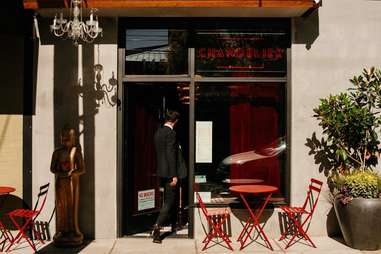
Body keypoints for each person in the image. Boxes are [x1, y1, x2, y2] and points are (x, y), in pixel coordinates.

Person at [152, 110, 184, 244]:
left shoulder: (158, 132)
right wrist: (174, 176)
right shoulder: (171, 133)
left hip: (161, 171)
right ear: (175, 121)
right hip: (170, 173)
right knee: (169, 201)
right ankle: (157, 227)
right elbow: (171, 155)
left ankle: (173, 224)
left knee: (168, 199)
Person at [50, 127, 85, 247]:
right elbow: (52, 169)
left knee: (71, 206)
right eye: (63, 139)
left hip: (72, 183)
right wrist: (62, 173)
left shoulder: (76, 151)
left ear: (73, 139)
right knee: (61, 207)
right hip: (61, 182)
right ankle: (62, 230)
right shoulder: (57, 152)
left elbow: (82, 169)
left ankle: (72, 230)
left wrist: (73, 172)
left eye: (67, 139)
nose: (65, 142)